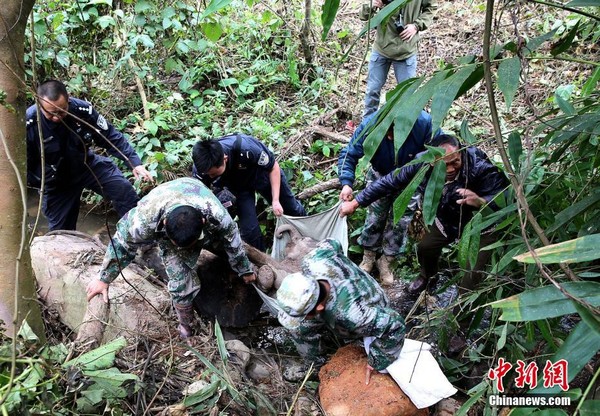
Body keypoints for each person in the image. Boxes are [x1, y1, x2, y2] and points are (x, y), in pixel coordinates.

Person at [86, 178, 257, 339]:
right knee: (181, 284)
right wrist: (104, 278)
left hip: (197, 195)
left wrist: (244, 269)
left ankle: (201, 242)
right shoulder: (144, 220)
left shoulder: (216, 215)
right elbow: (122, 243)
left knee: (224, 245)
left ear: (204, 221)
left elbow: (233, 242)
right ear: (165, 224)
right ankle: (186, 327)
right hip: (164, 203)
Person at [340, 134, 509, 295]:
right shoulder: (422, 162)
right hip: (448, 217)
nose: (450, 169)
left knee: (471, 275)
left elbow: (505, 196)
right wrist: (356, 203)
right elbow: (391, 180)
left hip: (482, 224)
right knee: (425, 248)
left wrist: (480, 201)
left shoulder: (480, 167)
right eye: (443, 164)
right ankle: (427, 277)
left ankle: (461, 316)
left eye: (455, 162)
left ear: (461, 153)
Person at [26, 79, 153, 231]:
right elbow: (23, 166)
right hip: (56, 182)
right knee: (61, 233)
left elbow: (110, 136)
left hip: (87, 165)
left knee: (123, 191)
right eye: (51, 113)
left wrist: (134, 162)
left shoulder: (82, 110)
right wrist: (40, 180)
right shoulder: (29, 124)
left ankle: (138, 236)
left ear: (68, 99)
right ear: (40, 105)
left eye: (62, 110)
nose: (57, 117)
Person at [276, 238, 406, 384]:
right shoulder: (312, 260)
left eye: (303, 315)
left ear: (319, 308)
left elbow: (395, 324)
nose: (303, 318)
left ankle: (352, 341)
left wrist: (377, 360)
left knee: (352, 340)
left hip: (372, 303)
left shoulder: (352, 316)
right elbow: (332, 243)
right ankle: (316, 365)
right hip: (349, 290)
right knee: (299, 329)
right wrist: (343, 268)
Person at [338, 108, 441, 284]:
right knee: (374, 218)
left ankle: (387, 261)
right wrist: (346, 183)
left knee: (400, 222)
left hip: (411, 178)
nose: (390, 138)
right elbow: (349, 153)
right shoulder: (370, 125)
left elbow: (441, 149)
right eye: (387, 133)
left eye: (396, 134)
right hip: (380, 174)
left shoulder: (425, 124)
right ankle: (368, 257)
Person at [192, 134, 306, 251]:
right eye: (209, 175)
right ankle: (263, 262)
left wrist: (275, 200)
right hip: (239, 188)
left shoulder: (246, 148)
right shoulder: (202, 168)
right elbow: (199, 195)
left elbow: (273, 167)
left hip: (262, 175)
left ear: (225, 159)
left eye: (214, 174)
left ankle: (308, 236)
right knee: (250, 231)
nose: (211, 177)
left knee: (291, 209)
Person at [362, 0, 438, 118]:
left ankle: (405, 127)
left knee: (407, 94)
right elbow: (363, 15)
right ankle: (366, 126)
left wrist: (416, 26)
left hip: (406, 51)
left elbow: (431, 8)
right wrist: (371, 6)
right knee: (372, 90)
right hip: (382, 48)